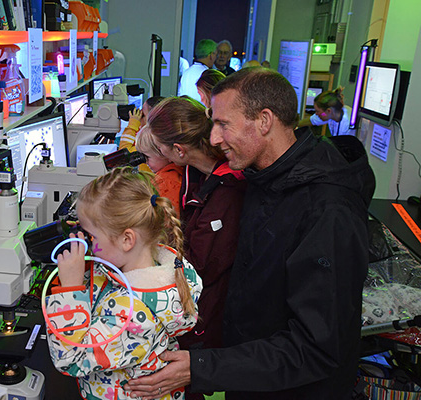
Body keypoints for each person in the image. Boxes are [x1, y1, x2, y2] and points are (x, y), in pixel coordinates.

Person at [125, 67, 375, 400]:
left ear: (264, 121)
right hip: (252, 377)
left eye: (223, 124)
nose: (213, 138)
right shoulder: (264, 176)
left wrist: (200, 368)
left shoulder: (327, 211)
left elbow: (318, 348)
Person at [45, 167, 203, 400]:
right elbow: (106, 284)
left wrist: (70, 289)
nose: (86, 241)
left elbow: (70, 360)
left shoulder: (133, 314)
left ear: (127, 239)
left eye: (91, 236)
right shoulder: (154, 269)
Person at [147, 97, 246, 399]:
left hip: (208, 310)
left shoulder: (226, 192)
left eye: (159, 148)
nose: (158, 154)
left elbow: (199, 267)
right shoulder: (199, 174)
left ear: (178, 151)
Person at [135, 125, 183, 214]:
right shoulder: (181, 171)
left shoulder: (166, 182)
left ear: (165, 153)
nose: (145, 163)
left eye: (147, 157)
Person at [119, 96, 165, 172]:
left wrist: (132, 125)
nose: (139, 117)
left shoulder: (151, 141)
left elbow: (124, 156)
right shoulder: (161, 135)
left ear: (154, 119)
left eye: (142, 115)